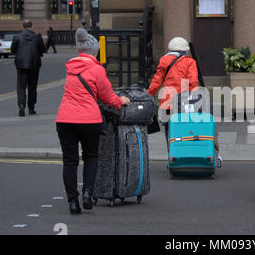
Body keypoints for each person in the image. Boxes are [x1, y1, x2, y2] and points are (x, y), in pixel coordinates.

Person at [55, 28, 131, 215]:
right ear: (93, 51)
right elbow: (108, 97)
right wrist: (121, 101)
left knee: (70, 161)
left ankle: (72, 201)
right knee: (90, 156)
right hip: (89, 119)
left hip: (64, 119)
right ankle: (88, 194)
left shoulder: (70, 68)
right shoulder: (97, 69)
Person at [147, 37, 199, 146]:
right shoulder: (189, 61)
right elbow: (193, 82)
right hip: (184, 101)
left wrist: (150, 94)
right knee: (184, 127)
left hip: (168, 101)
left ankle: (171, 152)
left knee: (168, 128)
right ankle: (183, 151)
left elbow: (157, 80)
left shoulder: (164, 61)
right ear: (185, 50)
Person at [11, 20, 46, 117]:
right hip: (34, 64)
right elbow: (43, 49)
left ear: (22, 26)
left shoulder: (17, 37)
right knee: (32, 86)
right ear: (32, 26)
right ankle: (31, 108)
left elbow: (13, 50)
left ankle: (21, 105)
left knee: (21, 86)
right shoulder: (37, 36)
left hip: (21, 64)